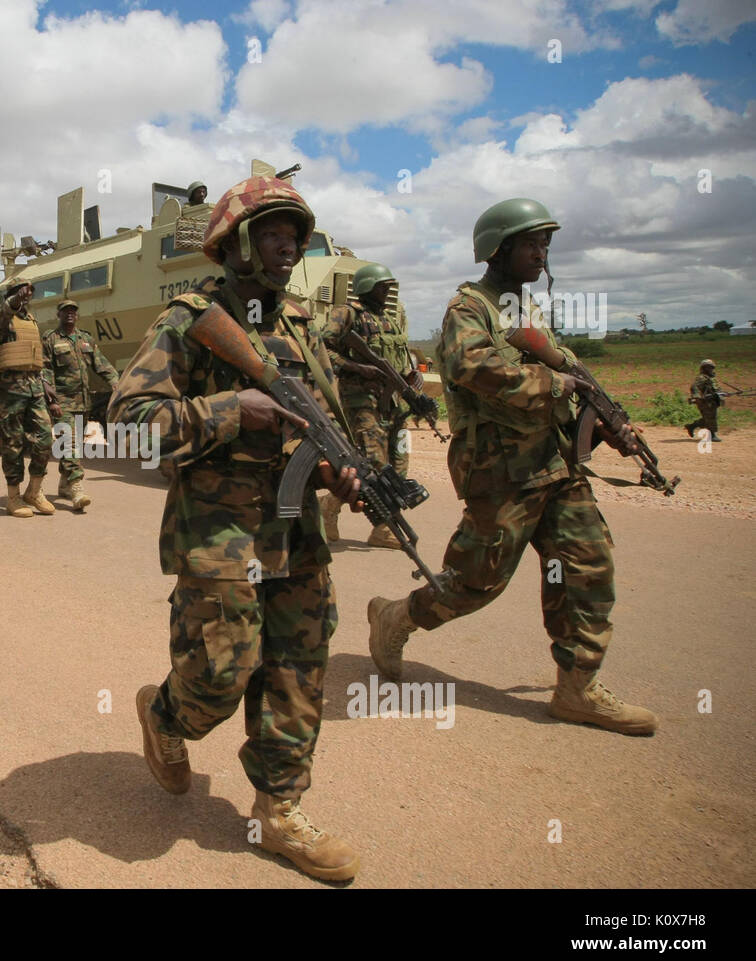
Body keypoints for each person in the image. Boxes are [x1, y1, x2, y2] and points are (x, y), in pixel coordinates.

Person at [108, 176, 364, 881]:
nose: (288, 244)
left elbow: (324, 428)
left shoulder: (302, 330)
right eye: (273, 231)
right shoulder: (191, 319)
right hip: (219, 534)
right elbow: (129, 429)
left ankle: (278, 810)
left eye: (296, 233)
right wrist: (229, 409)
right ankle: (165, 717)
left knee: (299, 670)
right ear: (239, 242)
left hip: (297, 534)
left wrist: (338, 473)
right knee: (220, 673)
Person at [367, 197, 657, 736]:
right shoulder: (468, 308)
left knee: (588, 568)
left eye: (545, 243)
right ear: (498, 249)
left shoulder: (527, 312)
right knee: (474, 584)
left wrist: (607, 425)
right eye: (530, 243)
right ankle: (395, 617)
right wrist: (554, 384)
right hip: (501, 471)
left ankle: (577, 689)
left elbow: (568, 375)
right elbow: (474, 367)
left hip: (558, 466)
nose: (541, 252)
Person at [317, 262, 420, 548]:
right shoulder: (347, 313)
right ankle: (385, 528)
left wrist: (410, 375)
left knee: (399, 464)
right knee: (375, 463)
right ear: (365, 287)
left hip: (394, 403)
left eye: (388, 286)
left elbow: (397, 358)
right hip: (361, 401)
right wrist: (357, 368)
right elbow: (323, 350)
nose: (387, 291)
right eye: (381, 286)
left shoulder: (389, 319)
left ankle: (328, 508)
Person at [0, 278, 59, 517]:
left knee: (44, 440)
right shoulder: (2, 318)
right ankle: (13, 496)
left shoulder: (31, 320)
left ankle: (34, 491)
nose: (27, 294)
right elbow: (3, 311)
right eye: (22, 291)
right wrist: (15, 299)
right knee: (13, 445)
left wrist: (46, 382)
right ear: (12, 293)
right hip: (10, 391)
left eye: (29, 292)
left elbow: (37, 355)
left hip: (34, 387)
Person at [41, 298, 118, 510]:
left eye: (73, 311)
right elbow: (45, 372)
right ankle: (77, 489)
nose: (69, 314)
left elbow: (101, 364)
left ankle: (64, 485)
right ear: (58, 314)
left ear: (77, 314)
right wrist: (52, 401)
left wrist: (115, 383)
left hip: (83, 403)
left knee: (76, 446)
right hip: (62, 403)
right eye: (65, 311)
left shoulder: (86, 339)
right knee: (70, 445)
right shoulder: (50, 339)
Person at [686, 359, 721, 442]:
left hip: (713, 400)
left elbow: (715, 388)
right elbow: (694, 387)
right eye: (708, 367)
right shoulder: (701, 378)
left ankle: (692, 426)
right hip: (705, 401)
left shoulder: (712, 378)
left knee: (707, 418)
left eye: (711, 367)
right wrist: (697, 396)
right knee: (710, 417)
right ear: (704, 368)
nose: (710, 369)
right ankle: (712, 435)